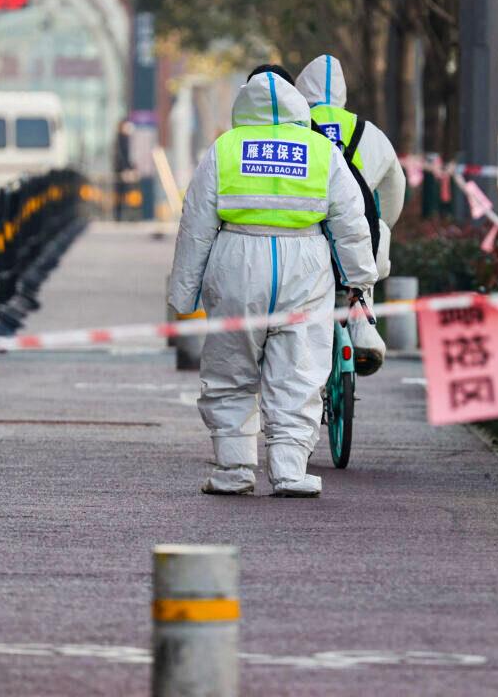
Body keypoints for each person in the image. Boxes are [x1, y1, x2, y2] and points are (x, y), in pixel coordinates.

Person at [168, 71, 377, 497]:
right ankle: (289, 471)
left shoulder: (225, 149)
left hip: (237, 262)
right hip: (306, 266)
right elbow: (351, 223)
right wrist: (360, 281)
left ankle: (234, 469)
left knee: (231, 369)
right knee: (299, 372)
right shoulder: (321, 152)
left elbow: (196, 225)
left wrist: (183, 294)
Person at [295, 55, 405, 377]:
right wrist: (383, 225)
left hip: (307, 239)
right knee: (362, 258)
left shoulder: (294, 129)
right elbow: (393, 190)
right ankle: (363, 331)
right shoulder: (370, 133)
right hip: (359, 241)